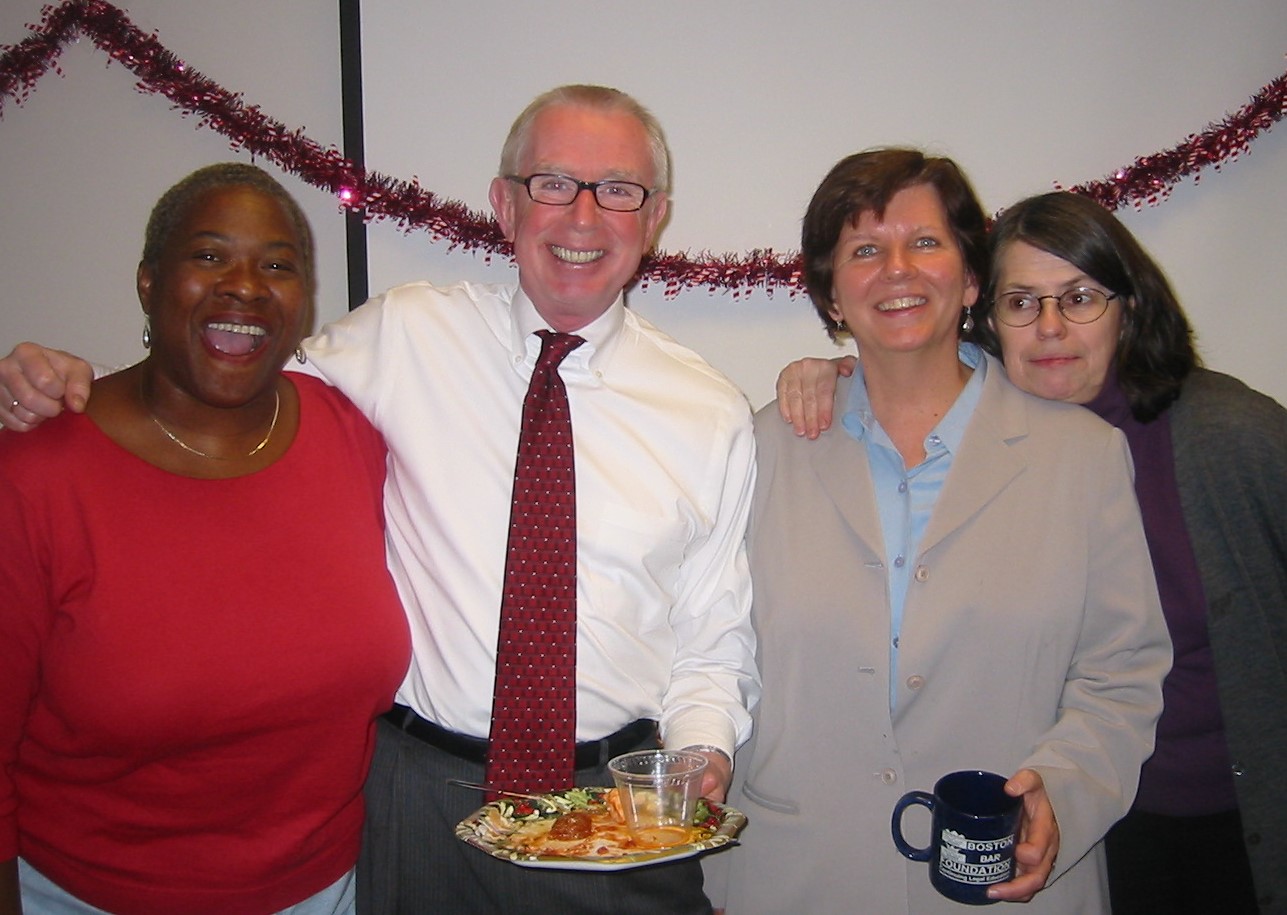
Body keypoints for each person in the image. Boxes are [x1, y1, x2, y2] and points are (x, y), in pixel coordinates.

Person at [1, 85, 759, 915]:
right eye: (551, 183)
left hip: (614, 807)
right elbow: (227, 368)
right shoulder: (402, 335)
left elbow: (712, 631)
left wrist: (701, 751)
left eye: (618, 189)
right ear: (504, 206)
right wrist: (54, 383)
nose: (582, 217)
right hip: (416, 803)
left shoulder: (708, 410)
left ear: (653, 219)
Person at [776, 190, 1286, 913]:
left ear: (1128, 305)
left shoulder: (1229, 435)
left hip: (1232, 806)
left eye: (1077, 297)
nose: (1050, 328)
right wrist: (830, 374)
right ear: (989, 314)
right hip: (1084, 814)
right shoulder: (990, 439)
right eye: (1022, 302)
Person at [711, 150, 1170, 914]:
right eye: (864, 249)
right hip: (797, 879)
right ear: (829, 293)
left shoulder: (1080, 457)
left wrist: (1062, 792)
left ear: (969, 279)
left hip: (1007, 883)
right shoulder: (757, 451)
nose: (896, 269)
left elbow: (1119, 674)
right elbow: (717, 657)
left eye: (924, 243)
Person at [0, 163, 411, 914]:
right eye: (210, 255)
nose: (246, 286)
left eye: (278, 264)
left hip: (330, 889)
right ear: (149, 283)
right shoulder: (39, 473)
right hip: (92, 896)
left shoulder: (355, 434)